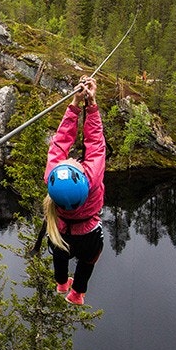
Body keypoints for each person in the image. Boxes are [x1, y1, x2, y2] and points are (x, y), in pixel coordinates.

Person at [43, 77, 105, 306]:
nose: (70, 159)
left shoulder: (53, 180)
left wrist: (74, 104)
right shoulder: (92, 180)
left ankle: (61, 283)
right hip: (87, 233)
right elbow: (95, 142)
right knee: (88, 261)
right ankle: (77, 293)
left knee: (60, 256)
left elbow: (60, 143)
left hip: (60, 231)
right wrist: (91, 104)